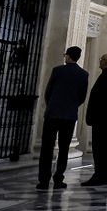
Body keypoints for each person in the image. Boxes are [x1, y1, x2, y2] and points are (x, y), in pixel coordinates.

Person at [38, 46, 89, 189]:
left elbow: (48, 92)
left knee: (47, 147)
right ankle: (58, 178)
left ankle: (43, 180)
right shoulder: (83, 74)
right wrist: (71, 106)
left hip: (53, 114)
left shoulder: (57, 70)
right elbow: (82, 97)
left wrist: (52, 105)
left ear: (67, 56)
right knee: (64, 148)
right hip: (69, 116)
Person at [82, 53, 107, 187]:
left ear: (106, 61)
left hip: (102, 119)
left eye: (101, 59)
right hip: (103, 118)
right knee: (101, 148)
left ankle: (101, 175)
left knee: (101, 149)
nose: (99, 61)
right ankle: (101, 175)